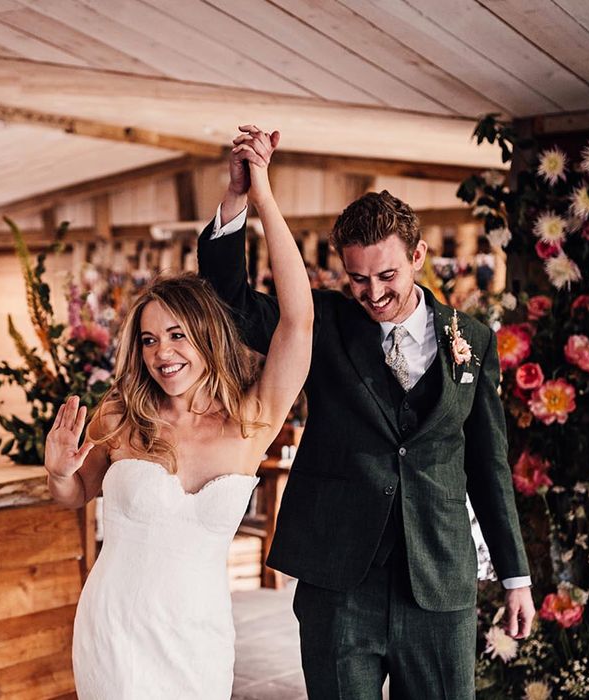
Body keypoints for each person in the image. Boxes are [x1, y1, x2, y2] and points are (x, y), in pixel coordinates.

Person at [198, 128, 535, 699]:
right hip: (338, 581)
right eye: (358, 278)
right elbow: (229, 299)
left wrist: (516, 576)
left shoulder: (471, 340)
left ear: (419, 257)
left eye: (387, 276)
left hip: (438, 583)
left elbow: (489, 465)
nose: (373, 292)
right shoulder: (320, 323)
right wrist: (240, 200)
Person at [43, 126, 312, 700]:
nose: (161, 353)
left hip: (199, 636)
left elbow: (298, 321)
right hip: (115, 629)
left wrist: (261, 194)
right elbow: (74, 495)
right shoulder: (120, 415)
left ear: (208, 337)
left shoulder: (251, 421)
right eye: (147, 340)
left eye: (176, 335)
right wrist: (61, 473)